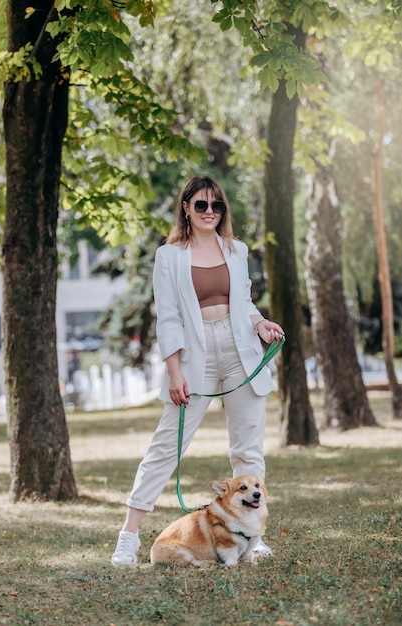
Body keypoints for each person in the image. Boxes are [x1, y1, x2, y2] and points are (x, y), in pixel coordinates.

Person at [111, 175, 285, 566]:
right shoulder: (169, 256)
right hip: (194, 353)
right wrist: (174, 372)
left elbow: (244, 303)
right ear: (186, 208)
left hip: (240, 349)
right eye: (201, 205)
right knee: (166, 445)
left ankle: (251, 540)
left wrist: (261, 324)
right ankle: (129, 536)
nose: (210, 212)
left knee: (248, 449)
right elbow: (168, 317)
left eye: (216, 205)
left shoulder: (236, 250)